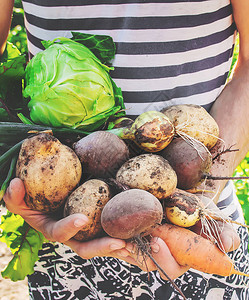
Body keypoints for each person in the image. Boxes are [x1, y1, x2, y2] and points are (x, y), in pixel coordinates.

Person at [1, 0, 249, 299]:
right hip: (66, 223)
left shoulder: (199, 207)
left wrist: (202, 193)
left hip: (200, 225)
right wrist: (25, 190)